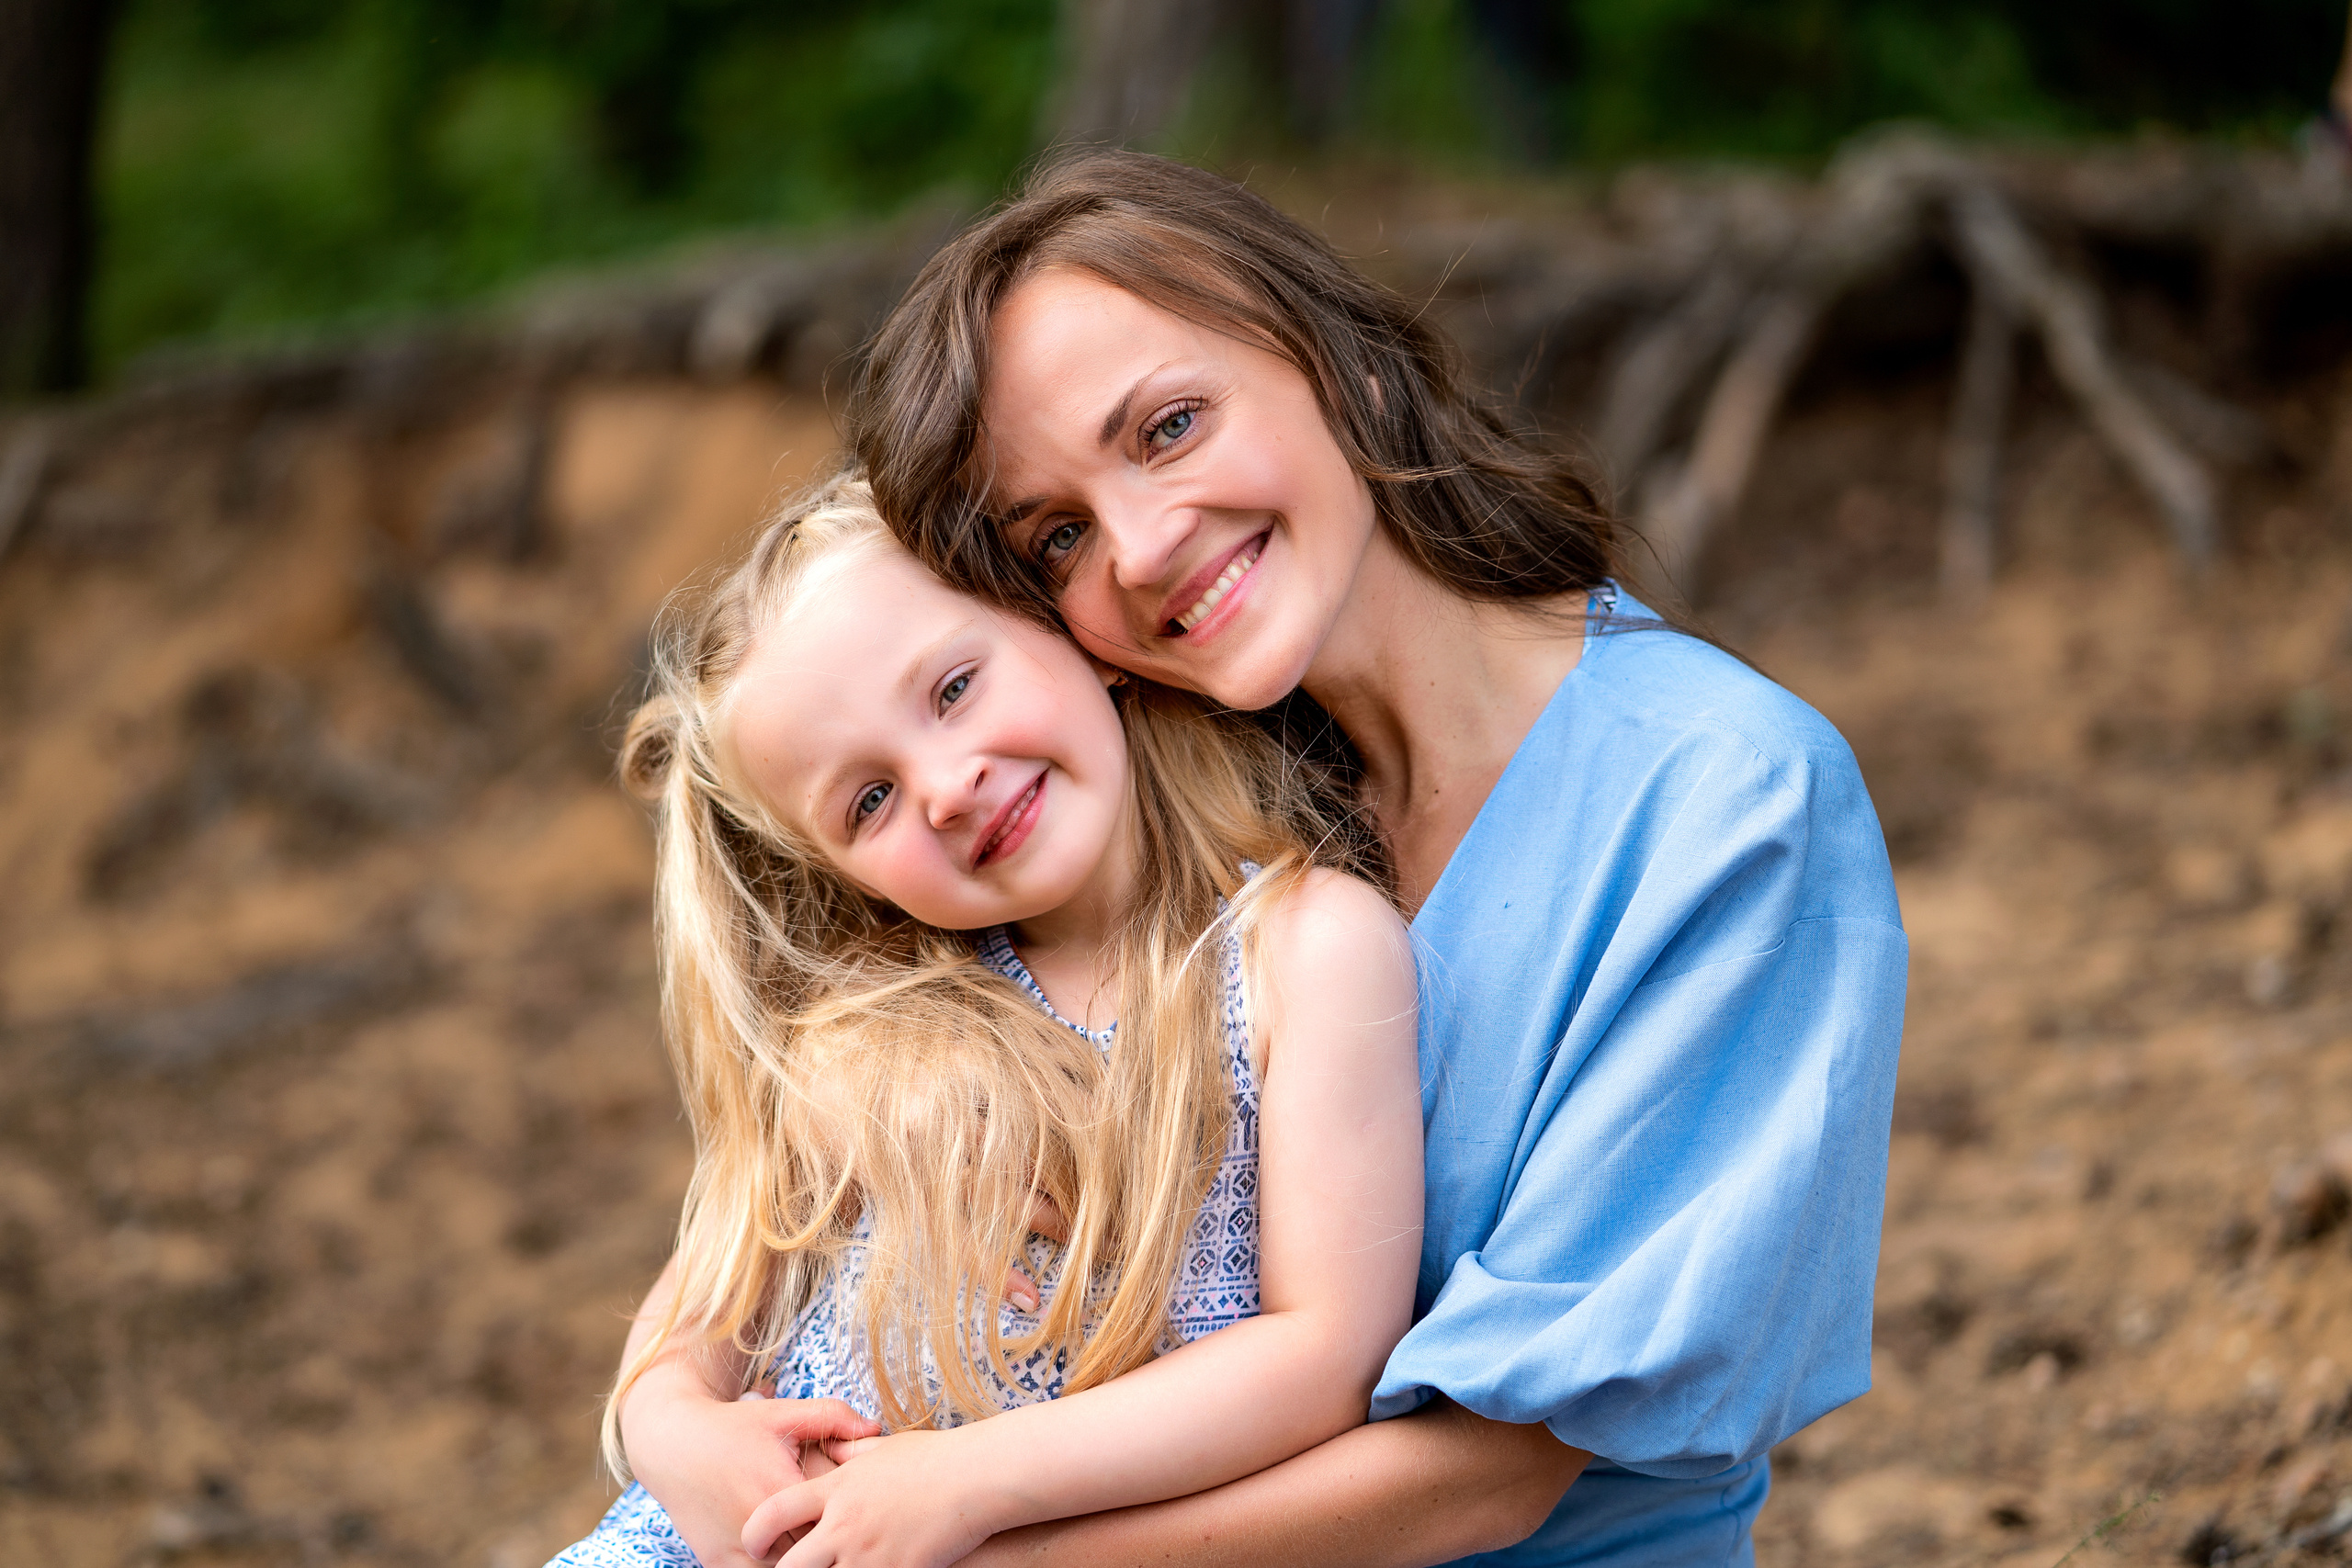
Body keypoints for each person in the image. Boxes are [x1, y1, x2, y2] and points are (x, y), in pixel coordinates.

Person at [826, 148, 1912, 1567]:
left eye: (1168, 427)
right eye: (1058, 535)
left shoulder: (1729, 798)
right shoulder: (1148, 806)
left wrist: (959, 1537)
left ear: (1340, 360)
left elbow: (1489, 1474)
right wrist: (685, 1410)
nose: (1145, 548)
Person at [555, 476, 1423, 1568]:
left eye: (955, 688)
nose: (944, 788)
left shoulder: (1301, 955)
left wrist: (967, 1483)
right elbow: (708, 1298)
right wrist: (671, 1430)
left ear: (1071, 633)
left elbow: (1327, 1353)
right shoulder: (869, 1032)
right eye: (867, 802)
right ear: (852, 879)